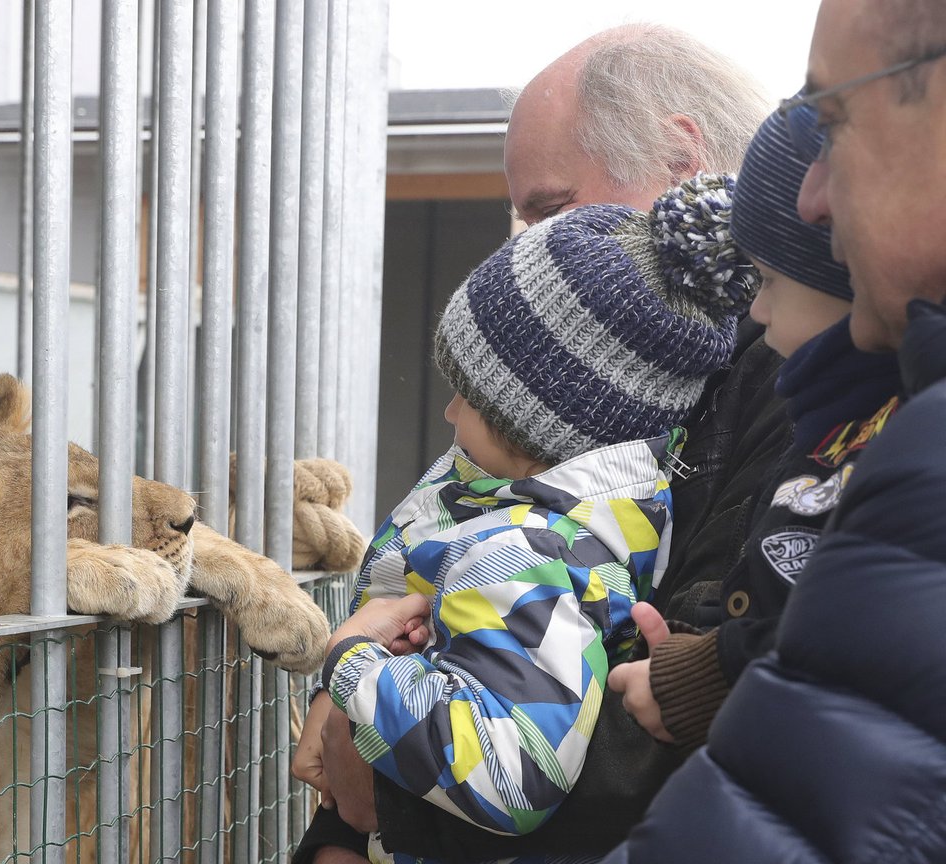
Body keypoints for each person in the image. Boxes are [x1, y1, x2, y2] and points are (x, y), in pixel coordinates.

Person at [293, 175, 761, 864]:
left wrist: (352, 662)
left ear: (538, 428)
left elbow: (512, 777)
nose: (450, 415)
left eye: (470, 400)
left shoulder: (516, 554)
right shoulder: (587, 517)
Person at [603, 0, 946, 860]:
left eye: (833, 122)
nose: (815, 199)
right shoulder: (866, 426)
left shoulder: (878, 444)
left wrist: (703, 669)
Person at [606, 105, 903, 749]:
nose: (757, 309)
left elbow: (855, 625)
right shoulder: (833, 418)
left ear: (841, 276)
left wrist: (708, 673)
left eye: (768, 280)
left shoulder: (880, 439)